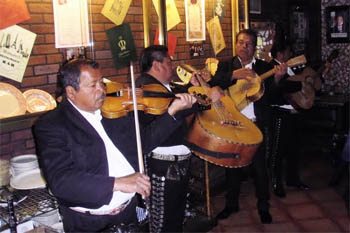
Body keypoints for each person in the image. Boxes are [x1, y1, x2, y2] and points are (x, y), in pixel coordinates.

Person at [33, 58, 196, 232]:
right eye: (93, 85)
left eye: (102, 82)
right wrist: (117, 183)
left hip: (129, 213)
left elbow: (145, 141)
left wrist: (172, 111)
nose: (102, 90)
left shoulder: (114, 112)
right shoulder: (51, 125)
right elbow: (62, 182)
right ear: (71, 92)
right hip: (90, 223)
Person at [193, 29, 287, 224]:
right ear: (235, 44)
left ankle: (263, 206)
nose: (244, 46)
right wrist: (234, 74)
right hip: (231, 124)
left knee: (260, 169)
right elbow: (213, 84)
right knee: (231, 168)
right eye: (241, 42)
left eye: (249, 43)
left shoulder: (263, 67)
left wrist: (277, 79)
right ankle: (231, 205)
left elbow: (272, 96)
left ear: (254, 47)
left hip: (255, 125)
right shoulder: (226, 65)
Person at [135, 45, 203, 232]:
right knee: (163, 221)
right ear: (157, 65)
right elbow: (172, 105)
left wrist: (193, 88)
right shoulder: (145, 87)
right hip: (162, 166)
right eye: (169, 62)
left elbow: (174, 97)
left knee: (176, 216)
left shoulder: (163, 87)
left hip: (176, 163)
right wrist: (201, 98)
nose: (172, 67)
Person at [268, 39, 311, 198]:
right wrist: (302, 84)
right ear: (280, 53)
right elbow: (283, 86)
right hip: (279, 114)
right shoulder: (271, 67)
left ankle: (293, 179)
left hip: (293, 114)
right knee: (277, 152)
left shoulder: (289, 67)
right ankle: (276, 182)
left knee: (294, 149)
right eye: (288, 52)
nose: (291, 54)